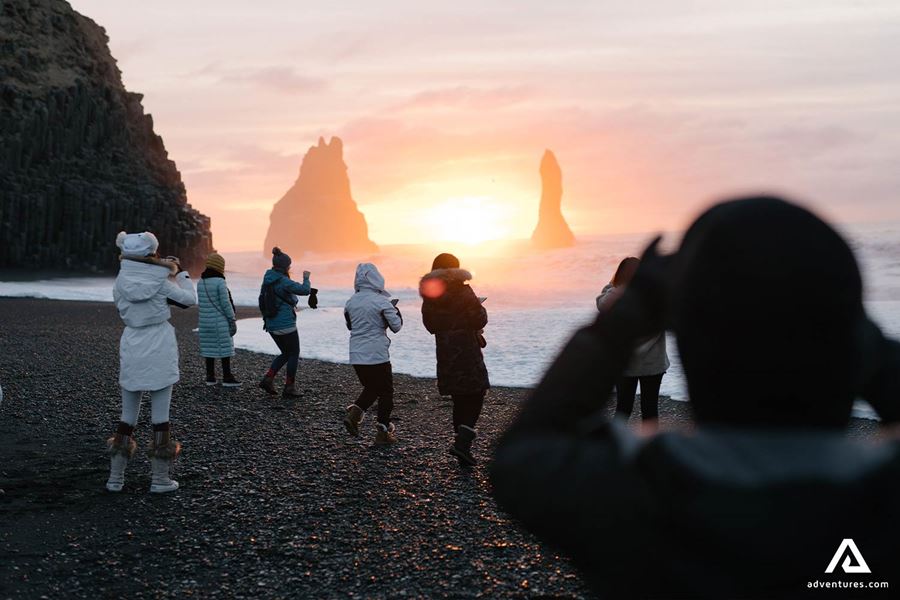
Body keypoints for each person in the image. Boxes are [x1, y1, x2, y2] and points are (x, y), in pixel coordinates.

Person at [491, 197, 900, 598]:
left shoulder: (629, 500)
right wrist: (851, 329)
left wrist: (634, 308)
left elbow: (524, 451)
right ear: (852, 347)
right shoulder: (881, 507)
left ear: (688, 342)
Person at [107, 231, 196, 494]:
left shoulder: (119, 282)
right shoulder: (161, 282)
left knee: (127, 415)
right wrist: (179, 273)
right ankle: (159, 479)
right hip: (158, 342)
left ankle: (115, 478)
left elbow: (122, 307)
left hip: (132, 340)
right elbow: (190, 300)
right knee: (161, 416)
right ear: (152, 253)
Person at [420, 253, 490, 466]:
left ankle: (461, 444)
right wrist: (478, 307)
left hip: (445, 350)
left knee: (459, 398)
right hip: (466, 348)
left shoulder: (431, 293)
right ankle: (463, 443)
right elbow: (479, 318)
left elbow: (429, 325)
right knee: (477, 393)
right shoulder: (463, 289)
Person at [597, 257, 669, 427]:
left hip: (625, 364)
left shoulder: (617, 297)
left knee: (623, 409)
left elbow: (602, 303)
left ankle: (615, 447)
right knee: (650, 410)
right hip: (653, 364)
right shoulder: (658, 296)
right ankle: (650, 448)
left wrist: (616, 284)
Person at [342, 263, 403, 444]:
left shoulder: (351, 301)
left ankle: (355, 415)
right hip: (377, 354)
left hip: (356, 353)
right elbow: (396, 327)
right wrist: (395, 311)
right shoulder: (382, 301)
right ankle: (382, 432)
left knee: (372, 388)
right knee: (385, 392)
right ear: (377, 278)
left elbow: (350, 326)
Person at [258, 247, 316, 398]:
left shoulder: (267, 280)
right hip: (285, 325)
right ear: (285, 267)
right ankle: (289, 387)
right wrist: (306, 277)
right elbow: (304, 290)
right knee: (293, 353)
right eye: (289, 265)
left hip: (270, 324)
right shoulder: (284, 281)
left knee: (285, 352)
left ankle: (268, 378)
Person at [197, 252, 241, 387]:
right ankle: (227, 377)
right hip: (219, 321)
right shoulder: (220, 282)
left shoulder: (200, 282)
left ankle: (210, 377)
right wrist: (232, 319)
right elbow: (225, 303)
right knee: (224, 348)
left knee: (209, 348)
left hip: (204, 322)